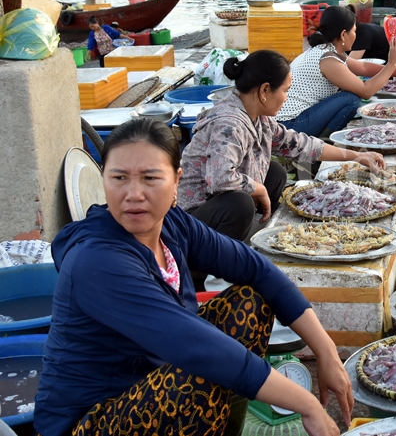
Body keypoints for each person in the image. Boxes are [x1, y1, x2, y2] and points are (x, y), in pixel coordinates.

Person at [34, 118, 351, 436]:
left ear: (176, 183)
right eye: (119, 178)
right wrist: (307, 405)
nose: (133, 194)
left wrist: (326, 352)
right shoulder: (97, 262)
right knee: (204, 368)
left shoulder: (172, 223)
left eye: (150, 178)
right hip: (91, 421)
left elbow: (257, 268)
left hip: (153, 388)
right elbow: (198, 349)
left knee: (250, 299)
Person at [178, 51, 386, 276]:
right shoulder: (230, 124)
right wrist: (258, 190)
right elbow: (221, 179)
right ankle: (206, 273)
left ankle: (252, 237)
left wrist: (355, 156)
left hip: (216, 203)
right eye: (285, 91)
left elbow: (300, 145)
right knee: (241, 203)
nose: (287, 98)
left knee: (274, 172)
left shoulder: (260, 118)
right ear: (265, 90)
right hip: (192, 222)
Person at [278, 5, 396, 138]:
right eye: (354, 31)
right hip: (290, 125)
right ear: (343, 34)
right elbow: (366, 91)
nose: (355, 36)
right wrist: (392, 63)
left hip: (293, 121)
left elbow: (363, 67)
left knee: (350, 95)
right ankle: (322, 142)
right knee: (351, 99)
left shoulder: (328, 52)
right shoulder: (327, 60)